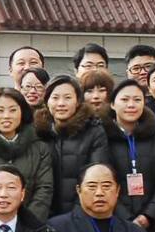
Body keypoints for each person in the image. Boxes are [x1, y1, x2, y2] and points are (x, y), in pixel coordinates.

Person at [107, 79, 155, 231]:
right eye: (125, 99)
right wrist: (126, 218)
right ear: (112, 104)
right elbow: (103, 182)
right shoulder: (103, 137)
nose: (131, 105)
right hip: (114, 221)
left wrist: (149, 215)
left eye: (137, 99)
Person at [38, 75, 110, 219]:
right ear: (47, 101)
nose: (61, 103)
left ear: (78, 101)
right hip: (43, 215)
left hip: (82, 215)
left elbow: (96, 176)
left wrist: (76, 216)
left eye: (67, 98)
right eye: (55, 97)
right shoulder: (38, 131)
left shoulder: (93, 131)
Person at [0, 88, 54, 219]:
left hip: (30, 225)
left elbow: (44, 189)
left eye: (13, 110)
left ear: (22, 113)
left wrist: (28, 222)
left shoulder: (40, 148)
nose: (6, 116)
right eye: (0, 110)